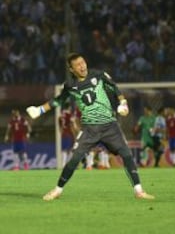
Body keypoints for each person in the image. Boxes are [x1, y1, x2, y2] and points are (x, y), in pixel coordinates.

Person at [26, 52, 154, 200]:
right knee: (75, 159)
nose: (82, 66)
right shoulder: (70, 85)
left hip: (110, 126)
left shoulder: (98, 75)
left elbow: (114, 88)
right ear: (72, 69)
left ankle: (139, 191)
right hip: (89, 129)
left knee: (126, 155)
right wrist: (40, 110)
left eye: (83, 62)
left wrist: (123, 103)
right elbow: (59, 100)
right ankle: (57, 190)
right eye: (77, 65)